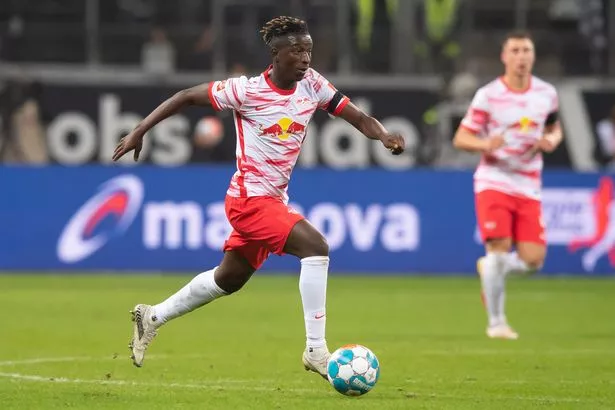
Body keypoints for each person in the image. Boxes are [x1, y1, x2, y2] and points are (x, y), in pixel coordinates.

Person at [112, 16, 405, 376]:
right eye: (297, 51)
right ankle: (316, 350)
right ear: (276, 54)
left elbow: (357, 117)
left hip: (273, 200)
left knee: (228, 279)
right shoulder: (246, 91)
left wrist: (384, 135)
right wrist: (139, 130)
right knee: (316, 247)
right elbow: (185, 96)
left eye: (309, 50)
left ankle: (152, 316)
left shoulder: (312, 85)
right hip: (249, 201)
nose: (305, 58)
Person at [452, 31, 562, 340]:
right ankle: (496, 323)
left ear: (533, 56)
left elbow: (554, 128)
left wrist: (550, 140)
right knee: (498, 248)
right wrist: (486, 143)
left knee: (532, 261)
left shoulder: (546, 94)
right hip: (494, 178)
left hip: (528, 182)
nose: (521, 56)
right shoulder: (488, 95)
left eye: (526, 50)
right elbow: (461, 138)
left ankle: (489, 269)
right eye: (515, 50)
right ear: (505, 57)